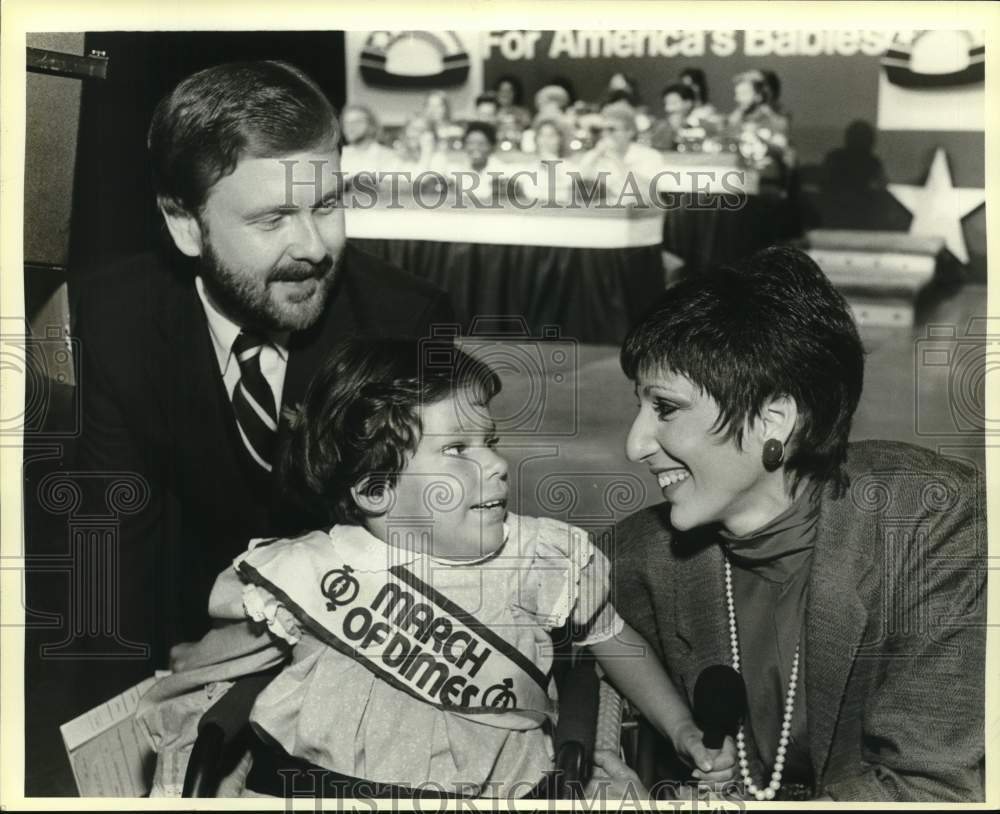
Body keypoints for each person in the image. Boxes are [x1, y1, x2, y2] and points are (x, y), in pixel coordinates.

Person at [137, 337, 737, 798]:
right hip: (320, 789)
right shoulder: (318, 568)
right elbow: (226, 653)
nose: (498, 465)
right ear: (375, 491)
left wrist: (682, 729)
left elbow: (614, 640)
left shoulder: (539, 558)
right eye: (458, 450)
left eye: (491, 442)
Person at [71, 61, 455, 707]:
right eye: (272, 218)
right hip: (161, 654)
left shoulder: (407, 322)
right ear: (185, 224)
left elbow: (424, 545)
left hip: (360, 657)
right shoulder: (104, 322)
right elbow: (103, 556)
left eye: (328, 205)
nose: (313, 246)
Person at [606, 247, 986, 801]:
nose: (635, 444)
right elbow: (545, 622)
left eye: (665, 408)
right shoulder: (642, 554)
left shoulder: (929, 521)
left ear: (773, 419)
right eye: (639, 407)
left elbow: (929, 789)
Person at [578, 102, 664, 203]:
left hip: (640, 214)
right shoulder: (594, 155)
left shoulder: (649, 156)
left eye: (611, 129)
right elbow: (576, 190)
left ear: (630, 132)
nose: (605, 134)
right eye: (602, 130)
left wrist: (617, 160)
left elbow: (649, 194)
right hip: (603, 213)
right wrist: (595, 156)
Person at [339, 104, 396, 182]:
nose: (350, 127)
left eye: (356, 122)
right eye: (346, 123)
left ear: (371, 125)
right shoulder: (339, 155)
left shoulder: (388, 156)